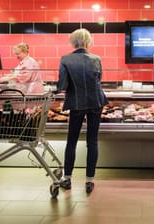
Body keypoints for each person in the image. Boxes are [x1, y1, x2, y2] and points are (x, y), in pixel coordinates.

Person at [54, 28, 108, 194]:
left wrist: (55, 88)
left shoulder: (65, 59)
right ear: (88, 41)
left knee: (72, 141)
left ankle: (68, 178)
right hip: (96, 102)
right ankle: (89, 181)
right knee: (93, 141)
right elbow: (98, 80)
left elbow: (62, 85)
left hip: (76, 103)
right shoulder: (96, 58)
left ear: (73, 41)